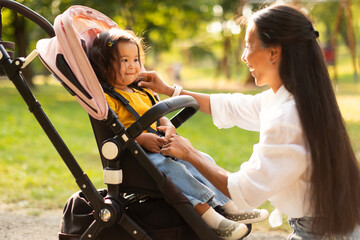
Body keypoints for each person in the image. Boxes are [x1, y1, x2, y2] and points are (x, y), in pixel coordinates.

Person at [138, 4, 360, 239]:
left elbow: (243, 190)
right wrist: (169, 90)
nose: (244, 57)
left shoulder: (287, 117)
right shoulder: (295, 97)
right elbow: (231, 106)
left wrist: (191, 154)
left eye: (248, 46)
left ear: (274, 52)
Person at [88, 29, 270, 240]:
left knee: (202, 160)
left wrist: (168, 126)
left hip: (162, 147)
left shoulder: (142, 90)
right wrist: (141, 139)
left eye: (136, 59)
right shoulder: (109, 100)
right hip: (138, 159)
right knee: (175, 172)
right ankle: (211, 218)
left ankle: (229, 206)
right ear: (104, 64)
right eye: (124, 60)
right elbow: (113, 133)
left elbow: (159, 115)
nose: (132, 65)